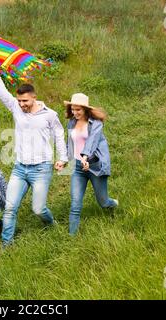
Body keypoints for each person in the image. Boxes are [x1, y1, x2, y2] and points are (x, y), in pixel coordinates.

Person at [0, 55, 68, 247]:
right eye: (19, 101)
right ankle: (7, 245)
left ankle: (51, 224)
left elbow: (59, 134)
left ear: (34, 97)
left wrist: (62, 158)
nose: (21, 104)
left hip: (41, 168)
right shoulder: (15, 107)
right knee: (9, 208)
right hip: (20, 168)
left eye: (25, 101)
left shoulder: (49, 115)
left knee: (38, 209)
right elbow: (1, 91)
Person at [65, 93, 118, 235]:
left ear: (85, 109)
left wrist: (85, 157)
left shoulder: (96, 124)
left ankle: (114, 205)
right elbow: (69, 144)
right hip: (77, 168)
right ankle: (71, 237)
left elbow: (92, 142)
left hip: (94, 166)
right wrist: (63, 160)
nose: (75, 113)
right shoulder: (71, 123)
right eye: (73, 109)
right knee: (75, 204)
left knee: (103, 202)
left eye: (78, 110)